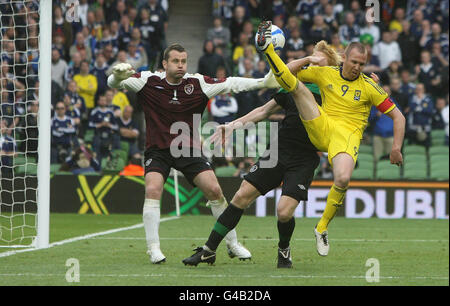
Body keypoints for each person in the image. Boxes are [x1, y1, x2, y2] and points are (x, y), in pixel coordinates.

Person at [107, 43, 277, 264]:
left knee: (215, 190)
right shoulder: (148, 80)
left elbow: (232, 83)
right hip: (157, 150)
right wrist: (116, 76)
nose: (180, 65)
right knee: (153, 188)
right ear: (165, 64)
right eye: (176, 61)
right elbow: (113, 83)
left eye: (183, 61)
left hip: (187, 149)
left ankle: (232, 244)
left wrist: (262, 82)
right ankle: (154, 249)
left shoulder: (197, 83)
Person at [182, 40, 342, 268]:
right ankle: (208, 251)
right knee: (240, 197)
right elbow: (263, 111)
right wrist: (232, 125)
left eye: (318, 61)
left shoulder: (332, 93)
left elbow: (359, 95)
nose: (312, 64)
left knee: (284, 212)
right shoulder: (292, 85)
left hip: (304, 158)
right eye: (311, 59)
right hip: (278, 150)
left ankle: (284, 250)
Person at [255, 21, 405, 256]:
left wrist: (396, 148)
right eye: (354, 61)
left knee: (343, 178)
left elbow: (399, 117)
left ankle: (321, 227)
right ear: (344, 57)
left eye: (362, 64)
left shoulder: (370, 87)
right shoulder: (325, 73)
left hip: (346, 136)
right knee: (298, 89)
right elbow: (286, 72)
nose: (357, 67)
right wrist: (307, 59)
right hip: (321, 125)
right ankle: (269, 51)